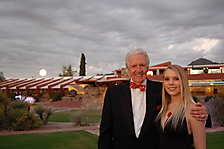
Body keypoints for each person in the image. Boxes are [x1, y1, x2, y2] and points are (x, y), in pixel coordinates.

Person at [98, 48, 208, 149]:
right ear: (128, 69)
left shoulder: (162, 89)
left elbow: (185, 101)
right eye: (134, 66)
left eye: (142, 65)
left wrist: (204, 113)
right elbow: (105, 131)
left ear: (148, 67)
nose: (139, 69)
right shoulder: (114, 93)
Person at [155, 65, 206, 149]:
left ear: (183, 81)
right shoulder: (163, 107)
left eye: (176, 79)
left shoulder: (194, 110)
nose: (171, 83)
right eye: (167, 79)